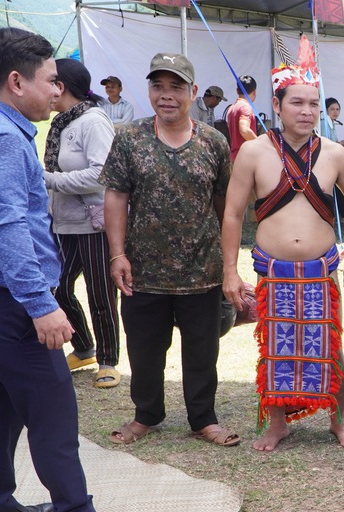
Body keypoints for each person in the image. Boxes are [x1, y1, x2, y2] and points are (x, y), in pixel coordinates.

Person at [0, 27, 124, 512]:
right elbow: (6, 230)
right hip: (8, 303)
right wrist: (41, 305)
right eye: (50, 80)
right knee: (53, 410)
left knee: (0, 406)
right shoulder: (2, 137)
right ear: (15, 81)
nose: (58, 90)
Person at [221, 47, 344, 452]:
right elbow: (232, 216)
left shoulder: (335, 155)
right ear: (277, 106)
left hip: (322, 269)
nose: (306, 110)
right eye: (296, 102)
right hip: (272, 269)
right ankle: (277, 422)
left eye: (313, 103)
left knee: (330, 344)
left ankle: (338, 418)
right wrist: (230, 270)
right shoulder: (253, 152)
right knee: (276, 346)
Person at [101, 52, 239, 448]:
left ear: (192, 92)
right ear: (148, 91)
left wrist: (229, 265)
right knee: (144, 350)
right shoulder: (129, 137)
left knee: (202, 351)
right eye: (158, 86)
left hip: (202, 270)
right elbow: (116, 198)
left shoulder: (213, 142)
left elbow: (225, 208)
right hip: (142, 270)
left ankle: (203, 419)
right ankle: (146, 415)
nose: (166, 95)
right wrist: (117, 254)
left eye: (176, 87)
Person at [44, 58, 121, 388]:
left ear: (61, 87)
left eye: (48, 81)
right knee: (57, 287)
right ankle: (84, 346)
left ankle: (108, 360)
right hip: (64, 222)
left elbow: (102, 172)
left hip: (93, 222)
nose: (45, 88)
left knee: (100, 293)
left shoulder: (93, 121)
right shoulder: (62, 122)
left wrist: (50, 180)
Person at [226, 74, 257, 162]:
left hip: (234, 157)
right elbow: (244, 130)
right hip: (245, 158)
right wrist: (260, 144)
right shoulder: (245, 107)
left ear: (237, 90)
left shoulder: (232, 108)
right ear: (254, 91)